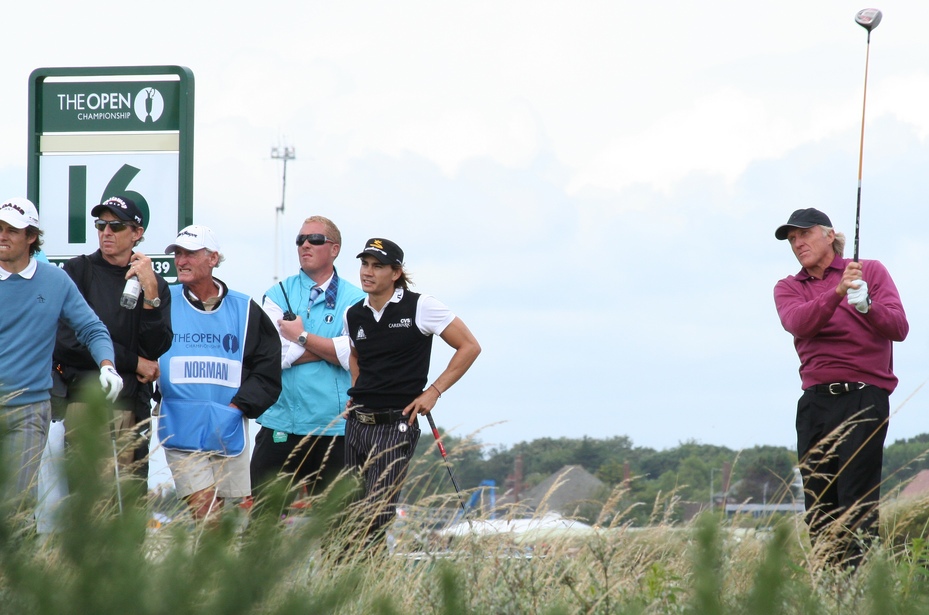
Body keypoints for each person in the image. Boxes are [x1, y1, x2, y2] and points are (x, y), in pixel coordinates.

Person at [774, 208, 908, 569]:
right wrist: (837, 292)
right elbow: (800, 323)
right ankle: (829, 587)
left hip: (864, 397)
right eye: (791, 240)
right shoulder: (789, 287)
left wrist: (868, 306)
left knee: (856, 500)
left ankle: (859, 589)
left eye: (804, 235)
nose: (797, 243)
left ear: (828, 235)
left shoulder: (871, 271)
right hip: (816, 403)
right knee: (819, 506)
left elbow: (898, 327)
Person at [343, 238, 480, 547]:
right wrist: (359, 386)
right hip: (356, 424)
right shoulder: (353, 314)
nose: (368, 272)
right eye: (364, 264)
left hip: (396, 424)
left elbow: (469, 347)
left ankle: (372, 582)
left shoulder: (421, 306)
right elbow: (355, 354)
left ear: (395, 273)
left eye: (377, 266)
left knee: (376, 515)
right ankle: (356, 586)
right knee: (350, 516)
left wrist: (434, 391)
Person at [0, 197, 122, 510]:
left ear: (30, 237)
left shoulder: (55, 280)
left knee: (16, 506)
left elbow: (92, 329)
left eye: (12, 230)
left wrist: (107, 365)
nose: (3, 236)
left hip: (28, 409)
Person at [156, 225, 281, 521]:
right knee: (206, 513)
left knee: (231, 524)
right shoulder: (162, 301)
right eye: (178, 254)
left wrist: (239, 406)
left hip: (228, 428)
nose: (181, 261)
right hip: (180, 426)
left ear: (213, 259)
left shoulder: (245, 308)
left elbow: (268, 368)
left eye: (190, 253)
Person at [53, 196, 172, 478]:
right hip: (87, 401)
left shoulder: (154, 283)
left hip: (135, 406)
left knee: (131, 507)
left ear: (137, 233)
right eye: (101, 224)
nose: (106, 232)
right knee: (90, 506)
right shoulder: (77, 271)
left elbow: (155, 347)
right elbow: (67, 341)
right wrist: (134, 362)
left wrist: (151, 294)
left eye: (116, 226)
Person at [251, 216, 365, 505]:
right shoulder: (279, 294)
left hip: (335, 427)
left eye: (314, 239)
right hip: (281, 423)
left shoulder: (356, 298)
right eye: (300, 239)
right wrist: (333, 350)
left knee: (337, 527)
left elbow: (355, 352)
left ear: (334, 249)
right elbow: (273, 355)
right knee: (263, 521)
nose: (305, 245)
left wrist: (300, 337)